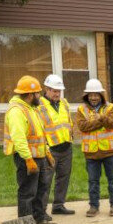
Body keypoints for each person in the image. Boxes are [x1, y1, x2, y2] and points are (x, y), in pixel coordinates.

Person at [3, 76, 58, 224]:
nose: (39, 96)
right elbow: (19, 138)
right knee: (28, 192)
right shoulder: (16, 111)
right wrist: (28, 159)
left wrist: (47, 153)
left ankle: (39, 219)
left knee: (41, 189)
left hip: (39, 157)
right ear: (29, 95)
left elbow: (39, 135)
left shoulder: (31, 109)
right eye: (37, 93)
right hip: (27, 158)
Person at [75, 79, 113, 217]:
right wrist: (101, 119)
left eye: (96, 94)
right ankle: (94, 206)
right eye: (91, 95)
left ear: (101, 95)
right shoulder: (81, 110)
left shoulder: (111, 108)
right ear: (86, 96)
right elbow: (83, 126)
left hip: (110, 151)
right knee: (93, 181)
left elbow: (112, 124)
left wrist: (100, 119)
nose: (93, 98)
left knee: (112, 180)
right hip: (91, 153)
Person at [39, 74, 74, 215]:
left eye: (59, 91)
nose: (57, 93)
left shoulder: (64, 103)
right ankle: (41, 211)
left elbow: (68, 122)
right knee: (45, 181)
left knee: (63, 178)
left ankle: (58, 205)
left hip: (66, 147)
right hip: (50, 149)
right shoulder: (39, 105)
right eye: (54, 90)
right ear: (46, 89)